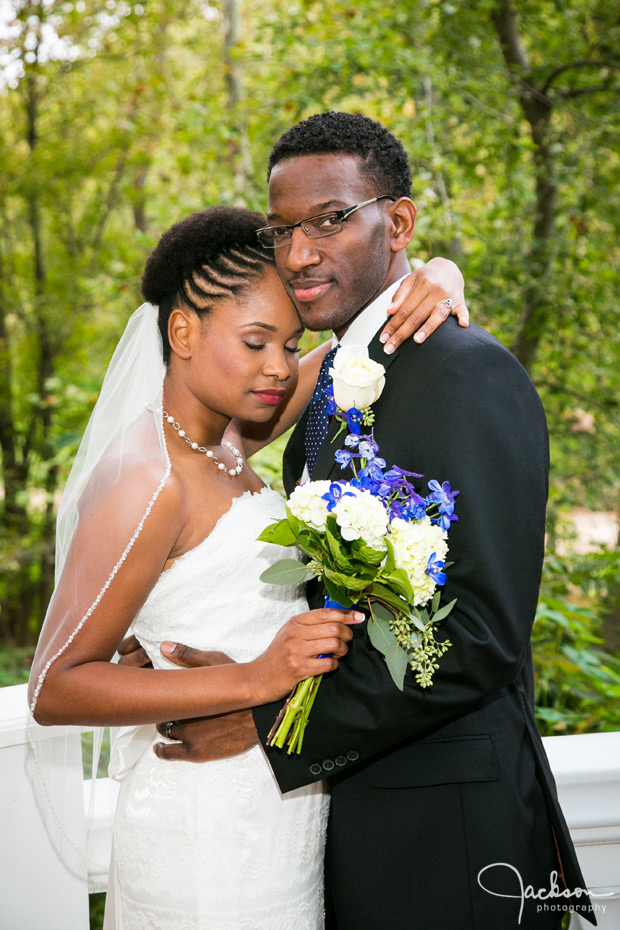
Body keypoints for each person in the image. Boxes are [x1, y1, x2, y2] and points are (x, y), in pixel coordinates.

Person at [137, 113, 595, 929]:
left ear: (401, 222)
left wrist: (268, 721)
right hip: (348, 825)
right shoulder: (340, 370)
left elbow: (482, 634)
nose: (300, 252)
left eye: (330, 219)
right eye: (283, 230)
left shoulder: (464, 371)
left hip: (447, 837)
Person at [28, 204, 467, 929]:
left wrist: (438, 273)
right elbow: (54, 687)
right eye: (257, 340)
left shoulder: (231, 435)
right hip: (200, 826)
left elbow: (365, 341)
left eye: (289, 344)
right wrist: (257, 680)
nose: (278, 367)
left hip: (275, 811)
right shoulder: (148, 476)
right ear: (184, 331)